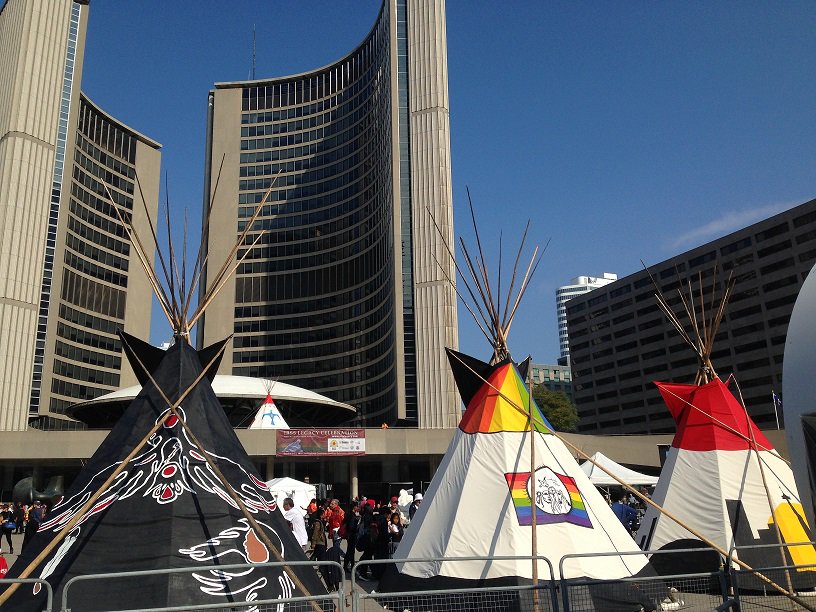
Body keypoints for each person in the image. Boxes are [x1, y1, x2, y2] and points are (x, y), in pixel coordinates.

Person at [342, 503, 360, 572]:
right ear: (354, 507)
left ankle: (349, 566)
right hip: (352, 535)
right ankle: (349, 566)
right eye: (357, 507)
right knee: (351, 551)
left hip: (349, 535)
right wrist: (357, 524)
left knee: (350, 551)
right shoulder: (352, 516)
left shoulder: (348, 514)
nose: (358, 508)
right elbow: (352, 527)